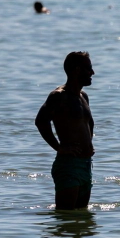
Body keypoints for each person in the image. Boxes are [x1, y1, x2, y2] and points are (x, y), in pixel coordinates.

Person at [35, 52, 96, 211]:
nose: (92, 73)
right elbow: (41, 121)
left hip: (86, 165)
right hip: (69, 164)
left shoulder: (83, 96)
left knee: (82, 220)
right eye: (88, 68)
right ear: (76, 70)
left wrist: (89, 145)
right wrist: (59, 147)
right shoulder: (59, 96)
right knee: (66, 216)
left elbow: (89, 122)